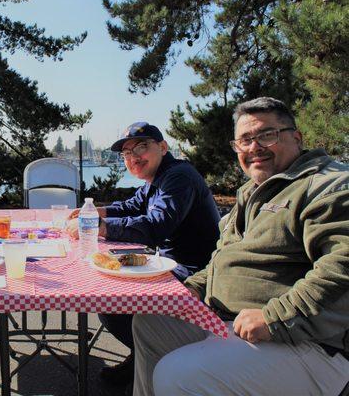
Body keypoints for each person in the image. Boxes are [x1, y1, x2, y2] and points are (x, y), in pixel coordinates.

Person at [133, 97, 349, 396]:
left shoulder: (327, 185)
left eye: (267, 135)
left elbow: (341, 266)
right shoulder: (252, 192)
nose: (254, 147)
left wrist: (275, 317)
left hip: (307, 341)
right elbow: (222, 259)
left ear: (296, 138)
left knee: (177, 375)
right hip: (229, 322)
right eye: (244, 140)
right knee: (152, 321)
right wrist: (191, 289)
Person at [66, 122, 220, 387]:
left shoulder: (178, 176)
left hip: (198, 272)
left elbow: (156, 227)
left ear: (163, 147)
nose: (133, 157)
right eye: (126, 153)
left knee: (114, 303)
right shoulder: (157, 177)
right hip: (171, 264)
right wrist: (95, 212)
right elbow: (131, 206)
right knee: (111, 300)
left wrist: (98, 228)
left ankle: (162, 359)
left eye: (141, 147)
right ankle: (143, 355)